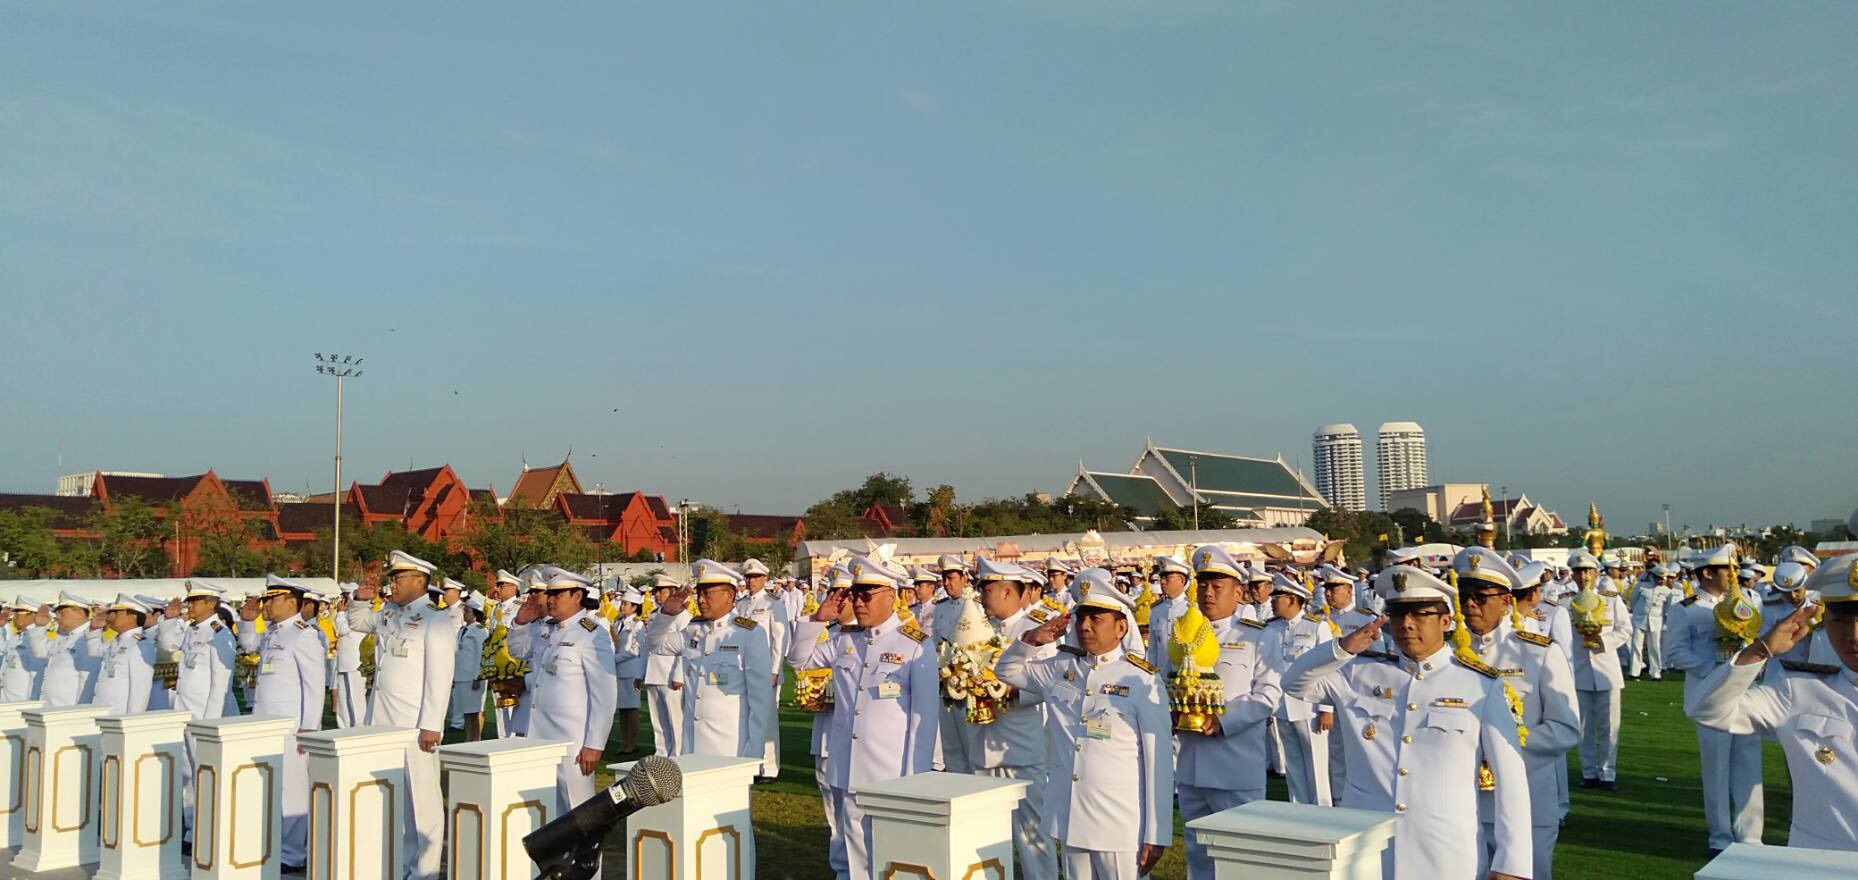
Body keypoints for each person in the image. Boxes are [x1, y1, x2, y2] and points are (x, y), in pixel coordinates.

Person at [1283, 564, 1532, 879]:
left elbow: (1511, 778)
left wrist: (1511, 863)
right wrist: (1342, 649)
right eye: (1398, 614)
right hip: (1366, 848)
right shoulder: (1358, 673)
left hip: (1445, 854)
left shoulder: (1480, 685)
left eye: (1420, 614)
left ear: (1445, 621)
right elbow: (1293, 683)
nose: (1407, 624)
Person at [995, 575, 1172, 880]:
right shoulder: (1061, 667)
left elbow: (1158, 761)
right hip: (1071, 816)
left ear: (1121, 628)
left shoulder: (1141, 679)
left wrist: (1157, 832)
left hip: (1119, 824)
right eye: (1081, 618)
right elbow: (1006, 670)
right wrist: (1032, 639)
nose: (1085, 626)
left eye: (1096, 619)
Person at [1686, 553, 1858, 851]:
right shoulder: (1799, 690)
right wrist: (1760, 650)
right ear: (1824, 621)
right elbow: (1705, 710)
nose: (1852, 635)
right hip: (1820, 860)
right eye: (1840, 621)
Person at [788, 555, 937, 880]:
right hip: (847, 765)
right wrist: (817, 619)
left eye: (866, 594)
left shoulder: (915, 646)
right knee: (851, 854)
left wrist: (916, 779)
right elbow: (799, 661)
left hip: (890, 771)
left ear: (891, 596)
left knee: (892, 855)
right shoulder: (846, 640)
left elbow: (923, 721)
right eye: (855, 594)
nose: (858, 602)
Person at [1453, 548, 1582, 879]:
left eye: (1481, 597)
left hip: (1528, 798)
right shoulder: (1448, 654)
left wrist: (1499, 749)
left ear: (1505, 601)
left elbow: (1566, 728)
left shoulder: (1537, 652)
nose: (1470, 604)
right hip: (1459, 802)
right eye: (1464, 596)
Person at [1165, 545, 1282, 878]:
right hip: (1191, 764)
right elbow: (1163, 682)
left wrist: (1224, 720)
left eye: (1217, 586)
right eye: (1203, 585)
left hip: (1235, 766)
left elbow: (1269, 694)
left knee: (1243, 860)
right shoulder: (1181, 634)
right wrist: (1170, 712)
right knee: (1198, 858)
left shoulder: (1257, 636)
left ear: (1238, 592)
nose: (1208, 593)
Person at [347, 551, 457, 880]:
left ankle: (425, 870)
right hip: (382, 722)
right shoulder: (389, 614)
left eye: (398, 577)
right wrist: (359, 599)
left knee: (422, 801)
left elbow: (440, 676)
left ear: (420, 581)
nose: (392, 583)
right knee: (393, 798)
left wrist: (432, 725)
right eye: (392, 577)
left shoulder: (435, 620)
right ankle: (402, 863)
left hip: (414, 724)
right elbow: (357, 622)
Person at [513, 568, 618, 874]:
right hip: (541, 739)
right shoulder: (547, 629)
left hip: (574, 744)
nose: (550, 599)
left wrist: (594, 744)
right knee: (546, 814)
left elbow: (604, 693)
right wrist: (521, 622)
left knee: (581, 817)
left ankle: (588, 875)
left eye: (557, 594)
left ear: (577, 596)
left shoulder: (591, 634)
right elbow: (518, 650)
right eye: (549, 594)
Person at [960, 558, 1058, 880]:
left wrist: (1007, 692)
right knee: (983, 835)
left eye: (986, 589)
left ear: (1006, 591)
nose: (981, 596)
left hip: (1019, 748)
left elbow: (1048, 683)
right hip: (981, 745)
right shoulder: (977, 626)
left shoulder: (1037, 629)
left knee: (1031, 836)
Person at [1665, 541, 1765, 855]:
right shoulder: (1685, 609)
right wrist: (1717, 671)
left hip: (1745, 693)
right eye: (1727, 570)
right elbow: (1675, 653)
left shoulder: (1746, 601)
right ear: (1707, 573)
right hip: (1710, 696)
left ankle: (1751, 836)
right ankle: (1720, 837)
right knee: (1717, 769)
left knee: (1750, 764)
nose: (1734, 575)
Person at [236, 575, 326, 872]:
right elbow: (248, 644)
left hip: (292, 727)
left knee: (292, 789)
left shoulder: (304, 635)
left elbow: (314, 684)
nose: (267, 605)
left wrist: (309, 728)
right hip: (266, 722)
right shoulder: (273, 633)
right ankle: (275, 844)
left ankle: (292, 853)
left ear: (291, 602)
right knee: (271, 785)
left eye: (272, 600)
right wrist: (247, 621)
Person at [652, 561, 773, 771]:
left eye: (708, 593)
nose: (701, 600)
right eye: (699, 593)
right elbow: (655, 644)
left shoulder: (749, 634)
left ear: (729, 596)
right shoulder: (693, 631)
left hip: (729, 749)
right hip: (692, 747)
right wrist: (665, 616)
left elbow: (760, 701)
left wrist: (752, 755)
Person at [1262, 571, 1335, 805]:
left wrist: (1326, 708)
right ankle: (1299, 808)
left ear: (1293, 600)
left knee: (1316, 764)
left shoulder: (1316, 627)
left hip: (1310, 707)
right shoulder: (1270, 628)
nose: (1272, 603)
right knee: (1293, 765)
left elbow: (1328, 668)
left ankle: (1322, 810)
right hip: (1282, 706)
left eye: (1277, 598)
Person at [1563, 551, 1630, 790]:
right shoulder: (1565, 603)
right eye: (1579, 572)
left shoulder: (1611, 600)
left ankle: (1608, 773)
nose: (1583, 576)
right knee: (1583, 726)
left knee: (1609, 726)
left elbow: (1625, 629)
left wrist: (1603, 642)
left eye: (1588, 571)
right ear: (1572, 575)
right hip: (1579, 670)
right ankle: (1589, 772)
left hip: (1606, 670)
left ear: (1596, 573)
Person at [735, 558, 789, 782]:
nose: (751, 581)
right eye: (748, 577)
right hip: (744, 667)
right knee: (746, 717)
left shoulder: (772, 604)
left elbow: (780, 639)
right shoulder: (740, 605)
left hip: (766, 668)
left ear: (765, 578)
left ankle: (769, 767)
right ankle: (752, 764)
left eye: (756, 577)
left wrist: (775, 669)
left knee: (766, 720)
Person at [640, 573, 693, 756]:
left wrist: (679, 675)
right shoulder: (656, 615)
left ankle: (677, 755)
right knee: (658, 721)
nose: (657, 594)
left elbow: (685, 648)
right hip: (654, 672)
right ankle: (661, 754)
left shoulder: (683, 616)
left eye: (661, 591)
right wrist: (641, 673)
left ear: (673, 592)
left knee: (674, 719)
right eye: (656, 591)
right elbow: (647, 646)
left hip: (670, 674)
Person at [34, 591, 104, 708]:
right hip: (49, 706)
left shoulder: (87, 639)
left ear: (79, 612)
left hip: (67, 710)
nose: (57, 617)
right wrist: (40, 628)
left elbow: (87, 682)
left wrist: (81, 712)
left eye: (62, 612)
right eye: (57, 613)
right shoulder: (62, 636)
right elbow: (38, 654)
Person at [94, 594, 157, 714]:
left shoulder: (139, 645)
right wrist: (94, 629)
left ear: (133, 616)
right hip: (103, 711)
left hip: (119, 715)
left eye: (116, 612)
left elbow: (140, 690)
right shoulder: (116, 640)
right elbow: (94, 653)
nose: (111, 616)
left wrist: (132, 720)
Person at [611, 586, 645, 754]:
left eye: (626, 604)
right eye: (622, 603)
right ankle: (624, 743)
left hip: (631, 671)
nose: (622, 606)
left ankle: (632, 743)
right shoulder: (617, 623)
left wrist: (615, 658)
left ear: (634, 606)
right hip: (618, 670)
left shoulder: (638, 624)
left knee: (632, 709)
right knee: (623, 710)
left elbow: (636, 649)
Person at [450, 594, 489, 740]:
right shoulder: (462, 630)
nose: (464, 614)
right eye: (464, 611)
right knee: (466, 711)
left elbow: (482, 654)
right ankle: (469, 738)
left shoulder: (480, 631)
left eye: (467, 611)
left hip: (473, 677)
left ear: (475, 614)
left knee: (475, 711)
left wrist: (479, 676)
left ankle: (475, 738)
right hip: (461, 676)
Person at [1630, 564, 1677, 679]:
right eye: (1658, 578)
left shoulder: (1667, 592)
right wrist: (1637, 613)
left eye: (1663, 578)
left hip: (1656, 620)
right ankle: (1634, 672)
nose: (1661, 581)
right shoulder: (1642, 586)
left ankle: (1656, 673)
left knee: (1655, 647)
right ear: (1653, 577)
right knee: (1636, 645)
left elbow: (1667, 608)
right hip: (1640, 618)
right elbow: (1633, 600)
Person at [330, 585, 367, 728]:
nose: (344, 600)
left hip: (354, 663)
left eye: (347, 596)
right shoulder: (346, 614)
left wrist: (340, 613)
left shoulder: (358, 613)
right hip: (344, 662)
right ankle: (344, 728)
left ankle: (358, 729)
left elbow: (342, 629)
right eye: (343, 596)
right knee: (343, 700)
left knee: (355, 701)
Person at [0, 596, 43, 702]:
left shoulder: (36, 641)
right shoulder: (16, 637)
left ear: (32, 615)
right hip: (6, 699)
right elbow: (3, 648)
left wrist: (32, 704)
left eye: (18, 614)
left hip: (21, 702)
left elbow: (36, 677)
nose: (14, 617)